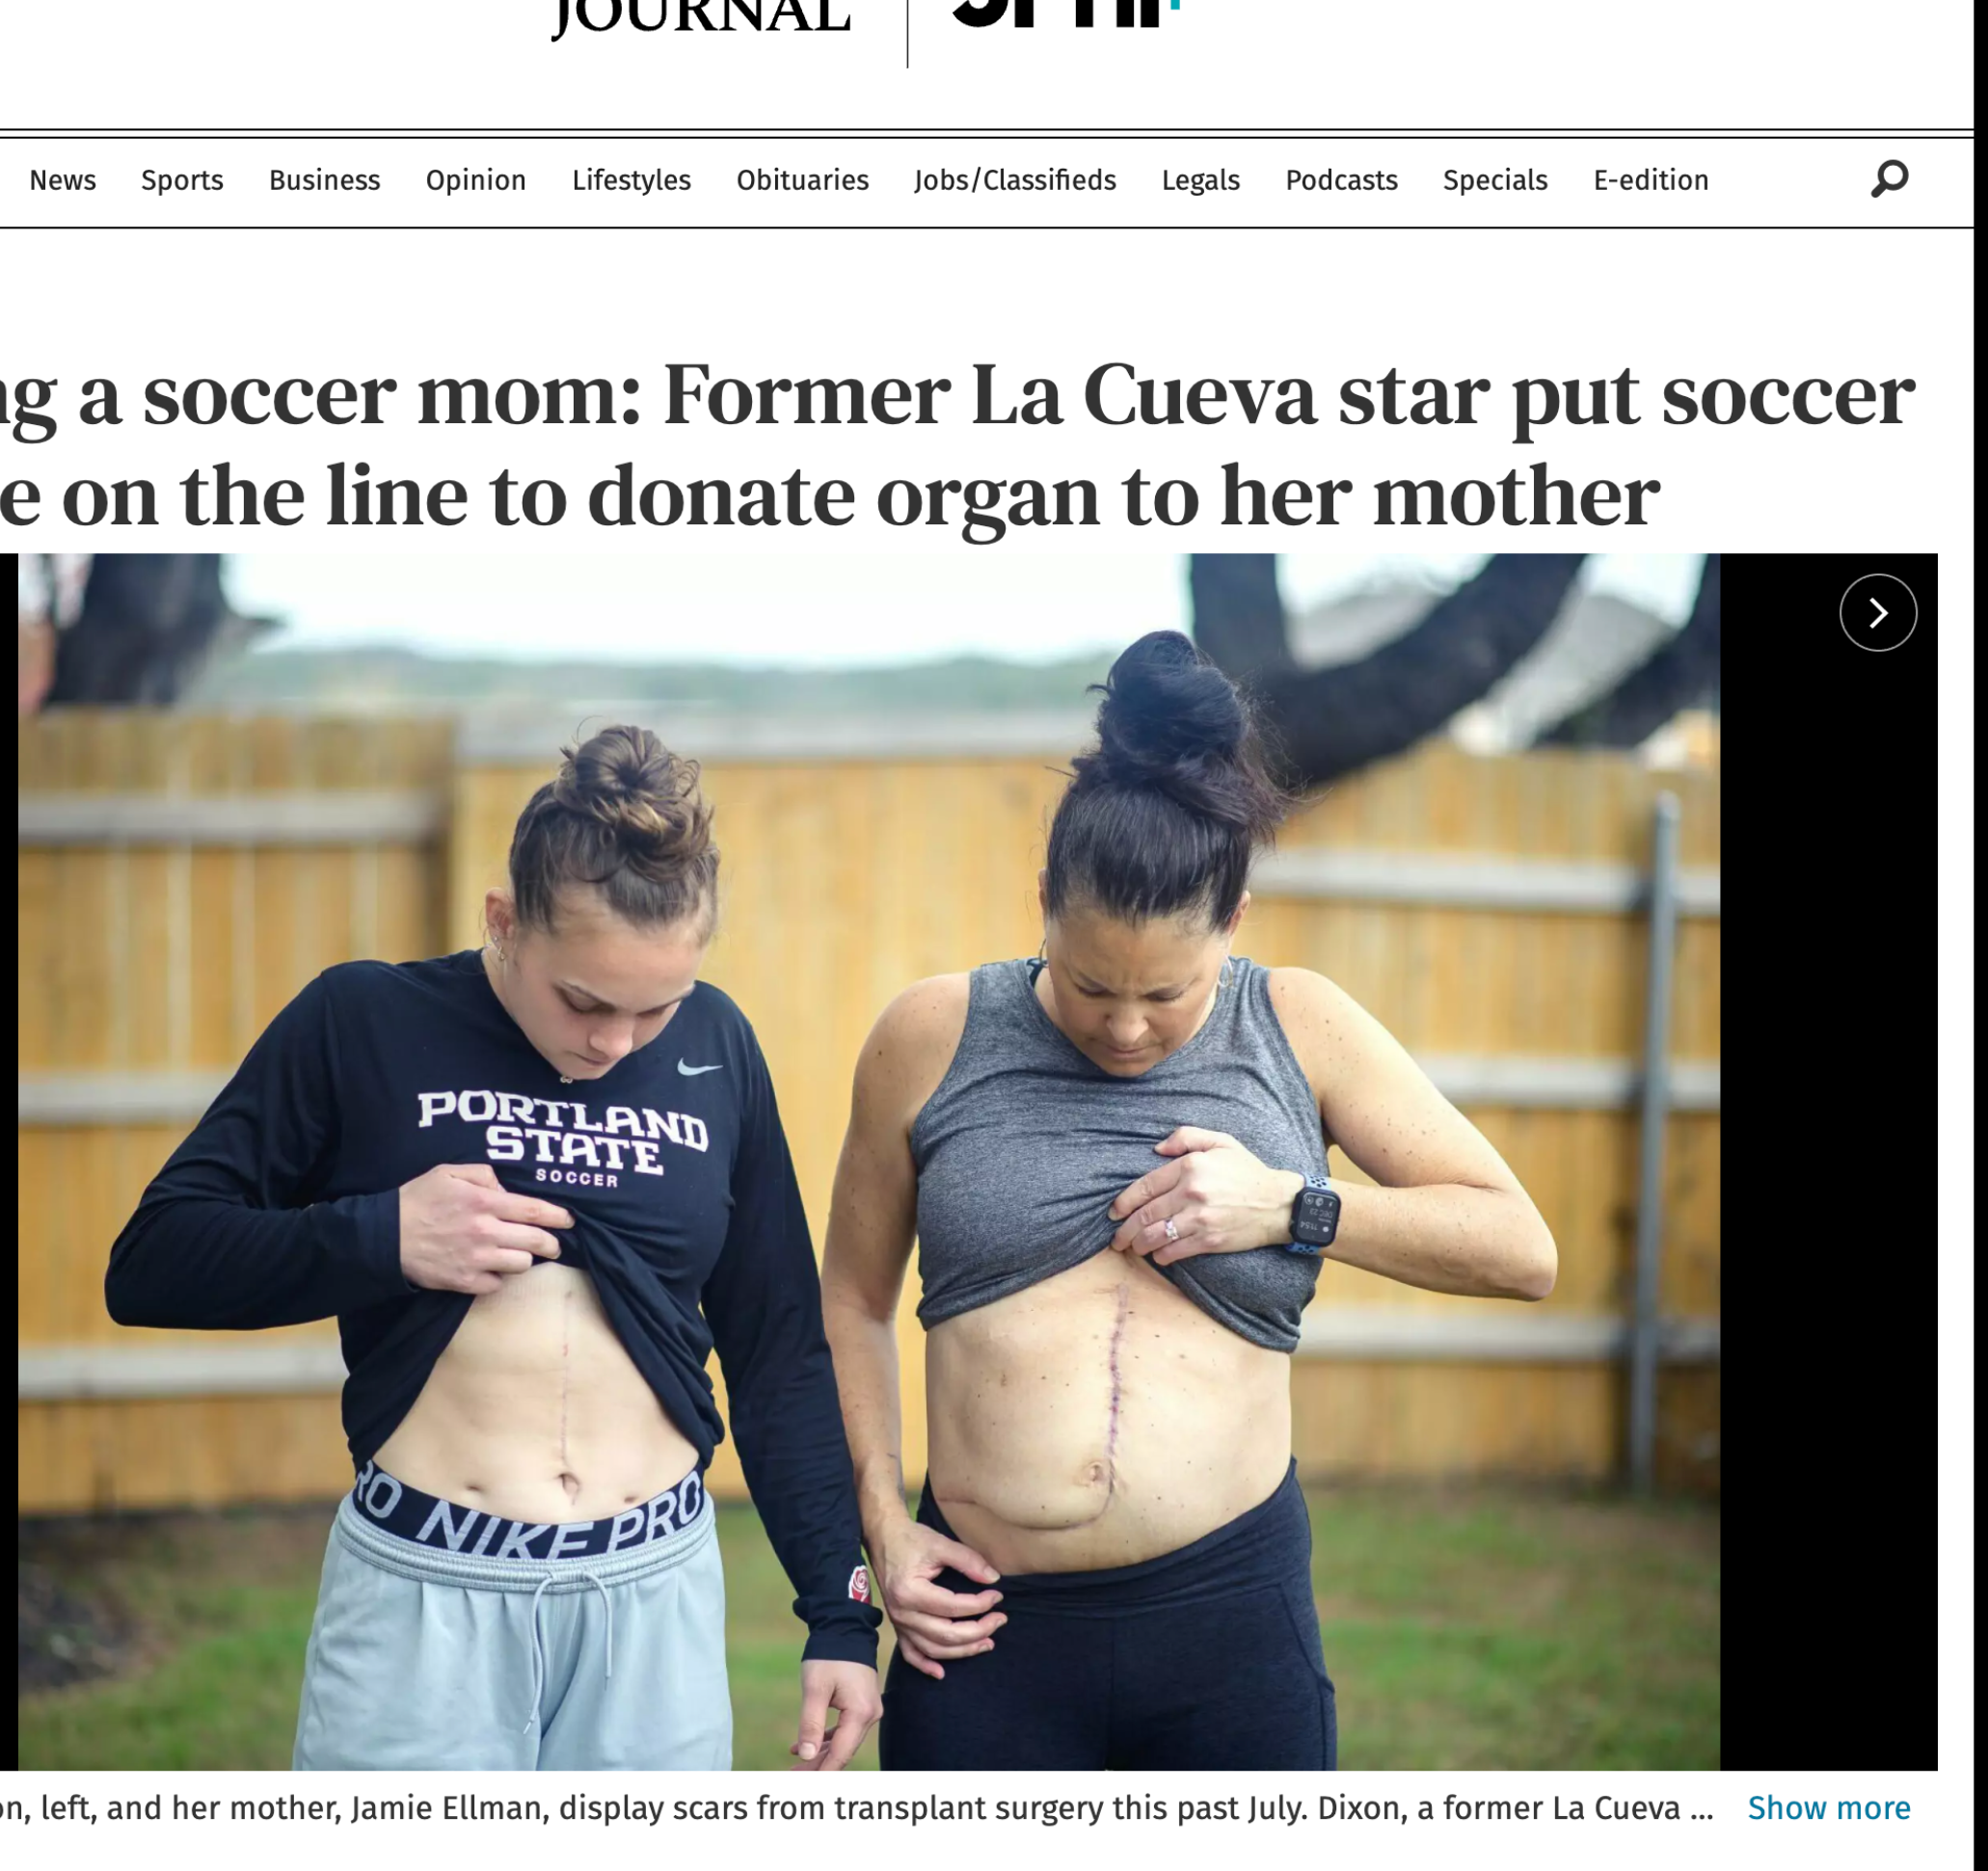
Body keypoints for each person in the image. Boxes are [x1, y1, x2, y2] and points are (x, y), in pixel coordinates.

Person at [821, 630, 1559, 1772]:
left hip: (1230, 1631)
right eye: (1088, 985)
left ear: (1235, 920)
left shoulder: (1298, 1026)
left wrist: (1294, 1207)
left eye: (1167, 993)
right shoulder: (931, 1036)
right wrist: (882, 1528)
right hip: (982, 1634)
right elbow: (853, 1300)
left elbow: (1521, 1249)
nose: (1126, 1027)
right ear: (1043, 906)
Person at [105, 726, 881, 1772]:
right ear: (505, 922)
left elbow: (776, 1341)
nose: (617, 1044)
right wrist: (382, 1234)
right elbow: (154, 1260)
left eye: (659, 1007)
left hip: (651, 1598)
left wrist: (838, 1614)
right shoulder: (364, 1020)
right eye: (584, 1001)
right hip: (425, 1599)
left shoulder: (720, 1048)